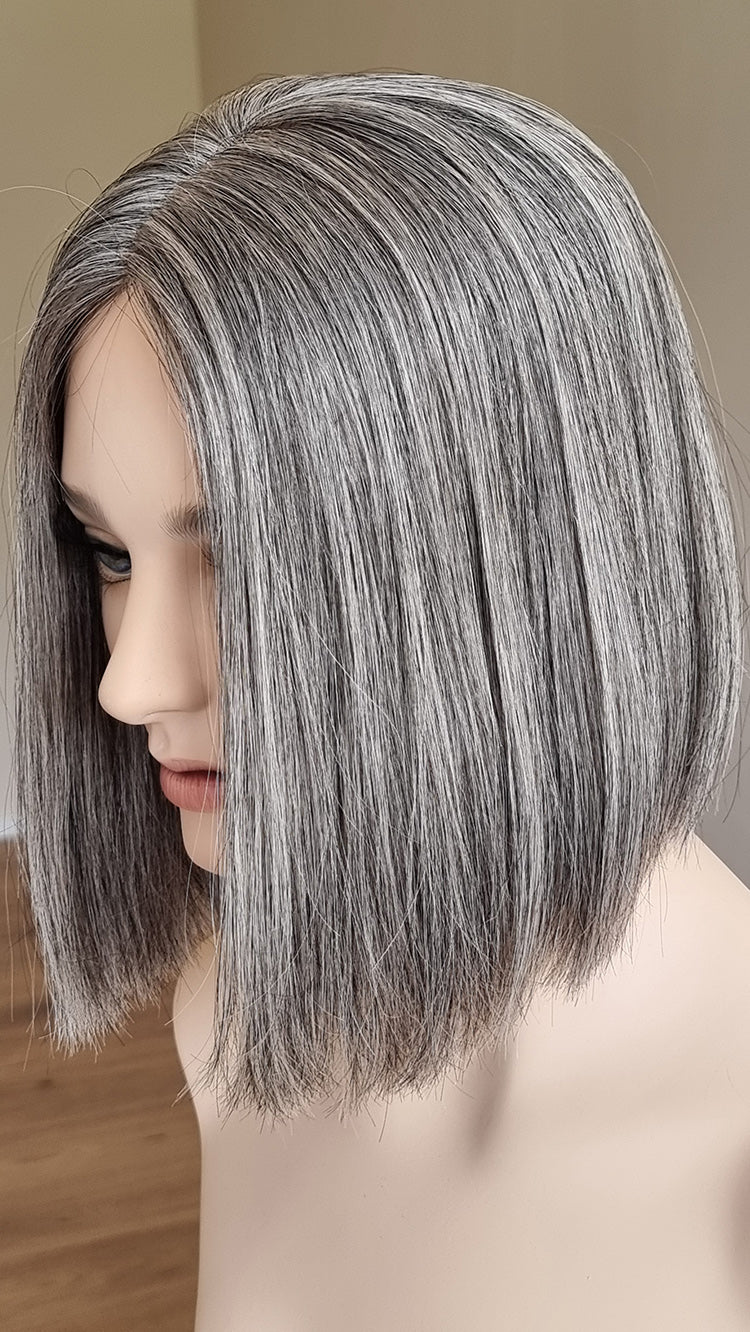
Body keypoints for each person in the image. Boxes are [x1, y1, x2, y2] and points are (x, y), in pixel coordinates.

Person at [11, 71, 750, 1329]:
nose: (129, 685)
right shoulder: (238, 1009)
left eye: (242, 557)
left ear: (523, 559)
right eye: (112, 553)